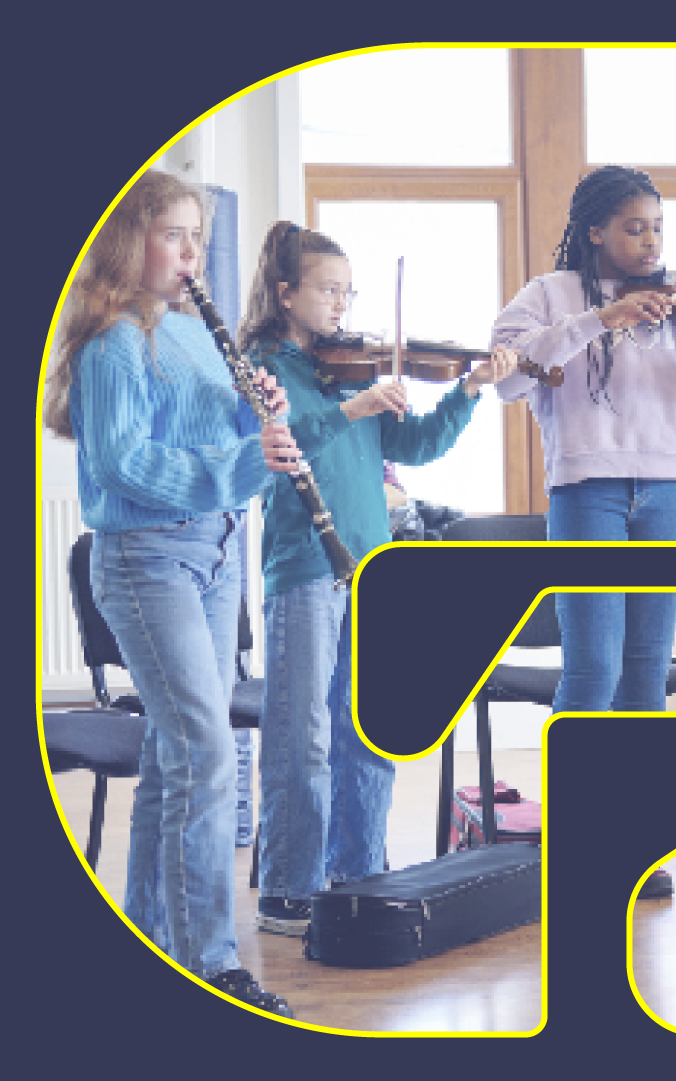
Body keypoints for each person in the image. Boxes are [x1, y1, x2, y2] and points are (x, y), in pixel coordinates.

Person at [492, 165, 676, 898]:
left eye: (657, 227)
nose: (650, 241)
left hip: (666, 489)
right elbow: (508, 379)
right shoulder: (547, 295)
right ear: (594, 229)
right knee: (591, 670)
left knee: (644, 672)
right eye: (634, 227)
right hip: (586, 489)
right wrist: (602, 319)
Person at [43, 169, 298, 1014]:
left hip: (218, 549)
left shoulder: (193, 332)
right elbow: (124, 465)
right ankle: (213, 964)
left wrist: (260, 410)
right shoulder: (114, 341)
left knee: (170, 753)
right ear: (128, 240)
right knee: (204, 751)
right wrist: (241, 460)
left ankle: (152, 941)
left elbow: (218, 429)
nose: (191, 252)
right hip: (147, 557)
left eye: (197, 236)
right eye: (172, 234)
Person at [240, 222, 517, 934]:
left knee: (368, 729)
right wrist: (354, 406)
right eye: (327, 289)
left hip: (373, 568)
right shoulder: (266, 366)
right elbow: (290, 441)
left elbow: (417, 444)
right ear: (284, 292)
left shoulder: (346, 369)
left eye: (348, 291)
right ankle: (288, 888)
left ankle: (358, 871)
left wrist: (467, 390)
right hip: (305, 566)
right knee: (303, 734)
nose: (341, 303)